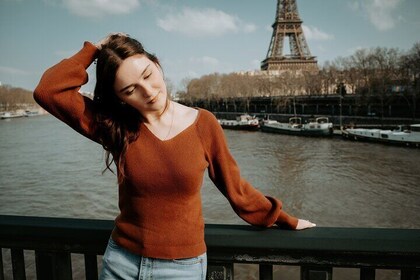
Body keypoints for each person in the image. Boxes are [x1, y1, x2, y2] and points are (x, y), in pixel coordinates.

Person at [34, 33, 316, 280]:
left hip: (181, 268)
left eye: (147, 74)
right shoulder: (115, 128)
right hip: (121, 261)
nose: (149, 91)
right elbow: (49, 90)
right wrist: (97, 48)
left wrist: (283, 219)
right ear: (120, 98)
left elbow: (237, 190)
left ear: (156, 63)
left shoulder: (204, 124)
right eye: (130, 90)